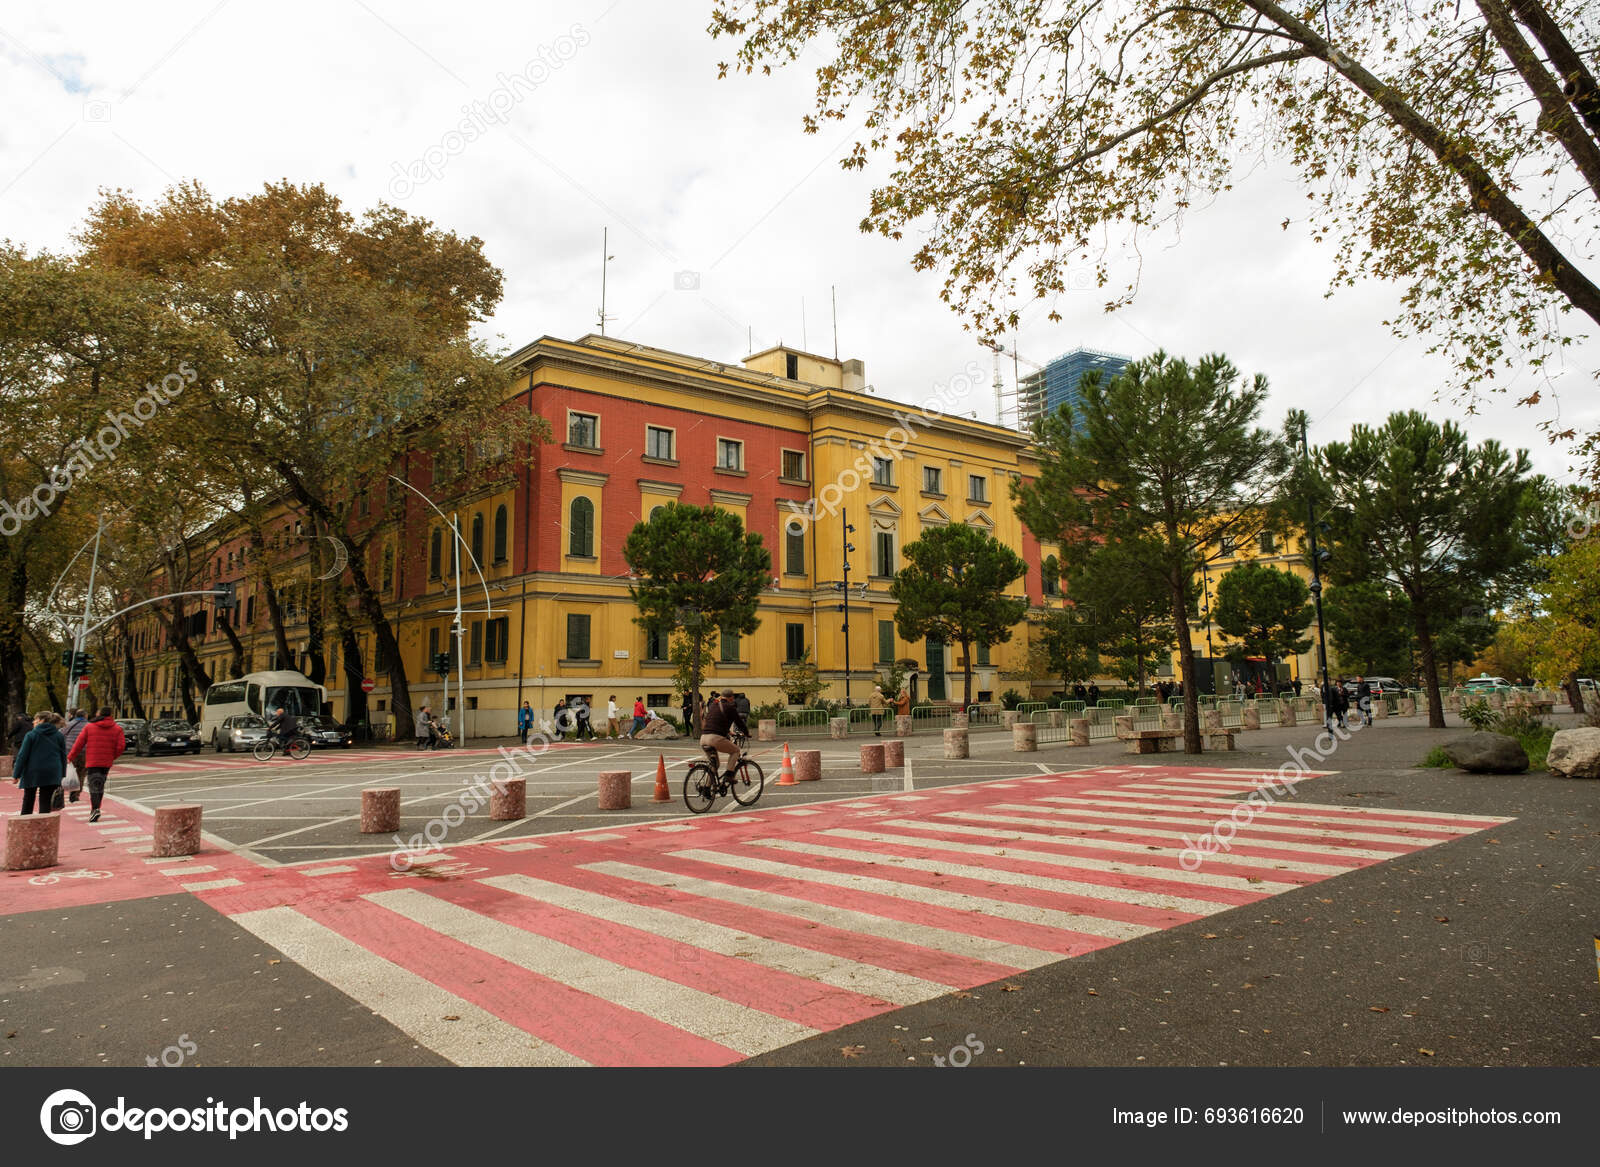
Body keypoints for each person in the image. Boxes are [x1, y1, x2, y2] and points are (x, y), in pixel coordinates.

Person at [65, 707, 126, 823]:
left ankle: (95, 809)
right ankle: (96, 808)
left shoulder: (89, 727)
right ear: (110, 715)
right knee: (100, 784)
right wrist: (112, 756)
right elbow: (121, 746)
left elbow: (78, 744)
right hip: (106, 762)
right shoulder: (117, 729)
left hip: (92, 761)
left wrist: (70, 757)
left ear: (99, 714)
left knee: (94, 785)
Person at [13, 711, 67, 816]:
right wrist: (62, 774)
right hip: (52, 771)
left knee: (28, 799)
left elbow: (22, 756)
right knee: (46, 802)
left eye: (35, 719)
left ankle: (26, 821)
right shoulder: (59, 735)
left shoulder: (31, 735)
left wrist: (16, 774)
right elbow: (63, 756)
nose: (33, 722)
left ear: (42, 720)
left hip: (32, 771)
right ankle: (43, 823)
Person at [699, 691, 749, 779]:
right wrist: (747, 733)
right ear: (731, 698)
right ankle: (729, 776)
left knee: (715, 765)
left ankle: (707, 786)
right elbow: (739, 723)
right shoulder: (730, 707)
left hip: (703, 738)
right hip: (714, 738)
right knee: (736, 751)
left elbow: (716, 722)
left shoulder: (713, 706)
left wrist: (729, 732)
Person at [55, 707, 89, 809]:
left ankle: (60, 792)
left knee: (65, 772)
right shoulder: (89, 726)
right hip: (85, 752)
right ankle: (75, 795)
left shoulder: (69, 724)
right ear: (85, 716)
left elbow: (60, 734)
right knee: (81, 773)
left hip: (70, 752)